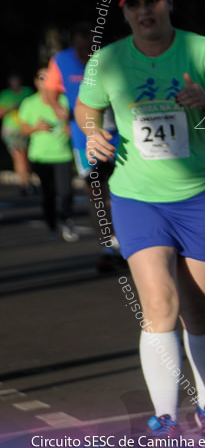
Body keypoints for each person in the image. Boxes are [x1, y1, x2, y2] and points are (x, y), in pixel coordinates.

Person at [76, 0, 205, 438]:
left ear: (168, 3)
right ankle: (166, 416)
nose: (144, 12)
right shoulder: (106, 60)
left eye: (152, 2)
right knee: (160, 305)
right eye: (134, 6)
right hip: (137, 197)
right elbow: (85, 106)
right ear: (125, 12)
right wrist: (92, 132)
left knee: (200, 309)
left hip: (198, 197)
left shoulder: (201, 50)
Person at [43, 22, 124, 271]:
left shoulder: (112, 56)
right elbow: (49, 91)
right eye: (79, 46)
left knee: (123, 191)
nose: (83, 52)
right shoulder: (61, 60)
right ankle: (108, 248)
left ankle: (128, 242)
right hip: (85, 139)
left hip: (121, 135)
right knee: (96, 194)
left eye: (88, 46)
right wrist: (58, 109)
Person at [19, 67, 76, 241]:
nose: (45, 80)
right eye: (42, 77)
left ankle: (65, 219)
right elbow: (23, 129)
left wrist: (69, 127)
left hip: (63, 154)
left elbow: (75, 125)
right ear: (36, 81)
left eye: (49, 76)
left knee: (66, 192)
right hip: (41, 156)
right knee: (48, 194)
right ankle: (52, 225)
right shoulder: (29, 103)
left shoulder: (64, 100)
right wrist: (37, 127)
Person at [0, 72, 33, 195]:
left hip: (26, 127)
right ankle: (24, 184)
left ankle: (27, 182)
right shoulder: (5, 95)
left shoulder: (27, 92)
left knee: (26, 157)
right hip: (12, 130)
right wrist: (11, 107)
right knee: (19, 156)